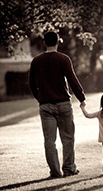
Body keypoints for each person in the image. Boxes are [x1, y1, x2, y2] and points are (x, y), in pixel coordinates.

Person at [29, 31, 86, 178]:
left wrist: (40, 98)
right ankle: (69, 169)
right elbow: (73, 80)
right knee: (68, 138)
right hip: (63, 104)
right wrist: (81, 98)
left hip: (45, 106)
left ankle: (55, 172)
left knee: (50, 141)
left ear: (44, 42)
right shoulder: (63, 59)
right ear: (58, 42)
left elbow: (31, 84)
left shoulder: (36, 61)